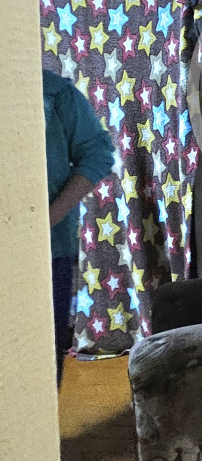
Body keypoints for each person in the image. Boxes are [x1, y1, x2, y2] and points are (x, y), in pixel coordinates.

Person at [44, 68, 114, 385]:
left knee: (42, 354)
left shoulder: (54, 93)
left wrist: (52, 216)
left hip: (48, 248)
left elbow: (98, 153)